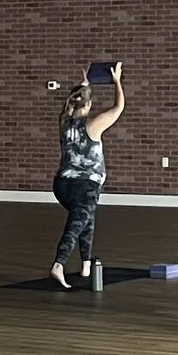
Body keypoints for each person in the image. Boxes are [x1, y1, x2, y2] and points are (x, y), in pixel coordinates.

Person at [49, 65, 125, 287]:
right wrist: (117, 81)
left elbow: (74, 101)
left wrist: (85, 86)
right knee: (77, 224)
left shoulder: (63, 121)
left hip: (62, 186)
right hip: (85, 187)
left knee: (87, 220)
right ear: (90, 105)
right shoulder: (93, 125)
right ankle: (58, 264)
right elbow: (119, 107)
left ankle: (86, 265)